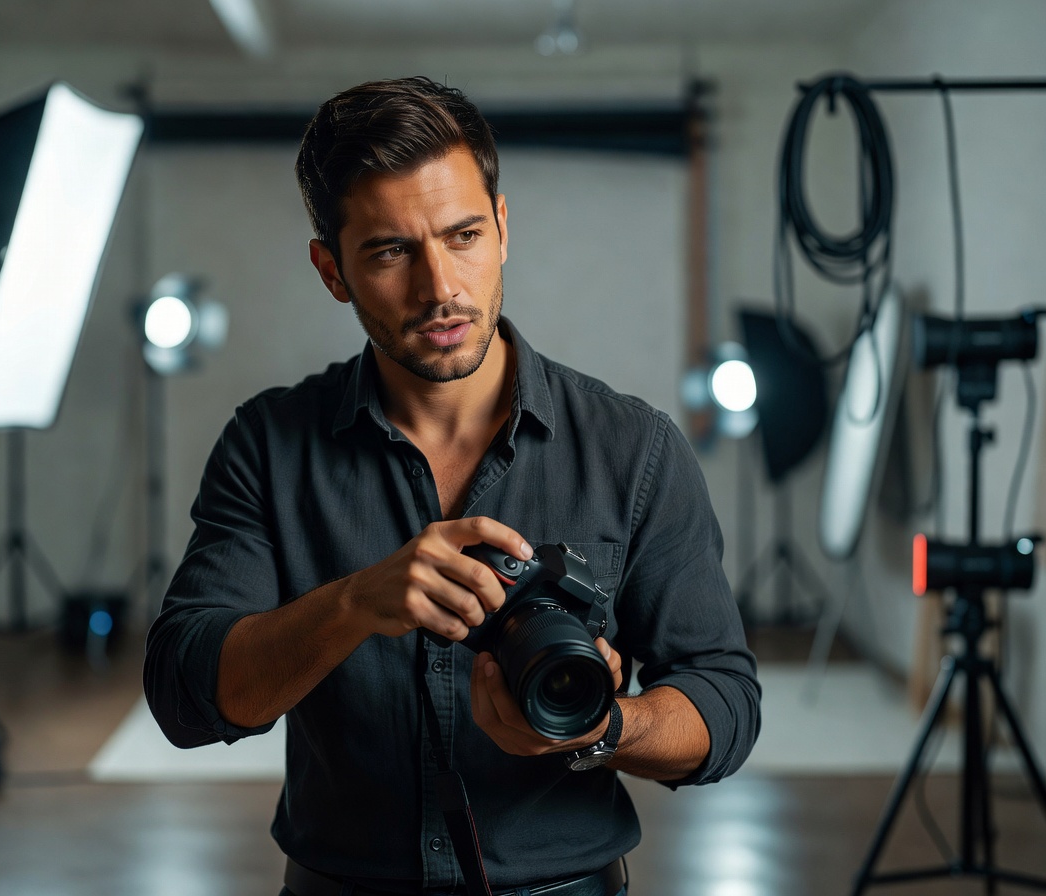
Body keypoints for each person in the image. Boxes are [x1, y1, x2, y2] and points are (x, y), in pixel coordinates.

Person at [144, 75, 760, 896]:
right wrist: (356, 603)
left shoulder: (633, 448)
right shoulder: (268, 445)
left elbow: (722, 698)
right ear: (332, 269)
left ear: (502, 229)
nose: (440, 289)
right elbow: (186, 694)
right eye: (392, 251)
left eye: (463, 235)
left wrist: (607, 727)